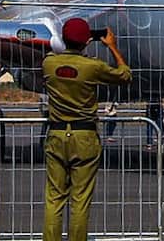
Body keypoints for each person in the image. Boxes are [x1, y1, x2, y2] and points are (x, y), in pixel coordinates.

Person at [42, 18, 131, 241]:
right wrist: (111, 45)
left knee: (54, 199)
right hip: (84, 136)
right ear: (87, 41)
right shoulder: (93, 67)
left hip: (56, 134)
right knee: (80, 201)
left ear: (63, 38)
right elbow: (125, 75)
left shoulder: (49, 63)